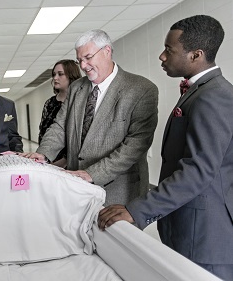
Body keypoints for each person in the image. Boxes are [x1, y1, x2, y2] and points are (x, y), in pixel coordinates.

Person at [98, 15, 233, 280]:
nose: (161, 56)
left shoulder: (213, 97)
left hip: (206, 237)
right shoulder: (200, 92)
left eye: (169, 50)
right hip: (188, 226)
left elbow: (198, 171)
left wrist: (136, 210)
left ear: (196, 55)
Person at [21, 29, 159, 206]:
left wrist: (93, 174)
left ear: (107, 51)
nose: (84, 66)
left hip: (118, 192)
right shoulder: (77, 88)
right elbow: (60, 126)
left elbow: (135, 145)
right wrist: (44, 154)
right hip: (76, 188)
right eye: (80, 61)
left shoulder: (140, 89)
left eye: (88, 57)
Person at [38, 59, 82, 168]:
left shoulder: (79, 102)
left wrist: (65, 161)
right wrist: (43, 155)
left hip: (71, 162)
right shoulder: (49, 103)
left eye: (60, 74)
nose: (55, 78)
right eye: (54, 74)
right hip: (48, 159)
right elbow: (43, 132)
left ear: (71, 76)